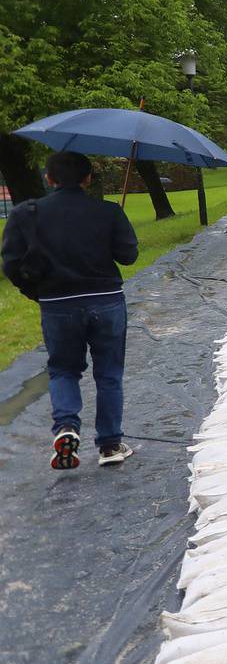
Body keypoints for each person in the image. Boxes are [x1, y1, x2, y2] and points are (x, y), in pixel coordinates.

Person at [0, 151, 139, 469]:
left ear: (49, 179)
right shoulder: (107, 211)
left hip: (57, 304)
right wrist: (116, 225)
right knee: (109, 374)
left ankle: (65, 428)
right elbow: (128, 256)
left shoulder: (27, 214)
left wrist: (36, 293)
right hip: (106, 301)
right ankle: (110, 445)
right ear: (88, 178)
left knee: (63, 370)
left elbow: (11, 263)